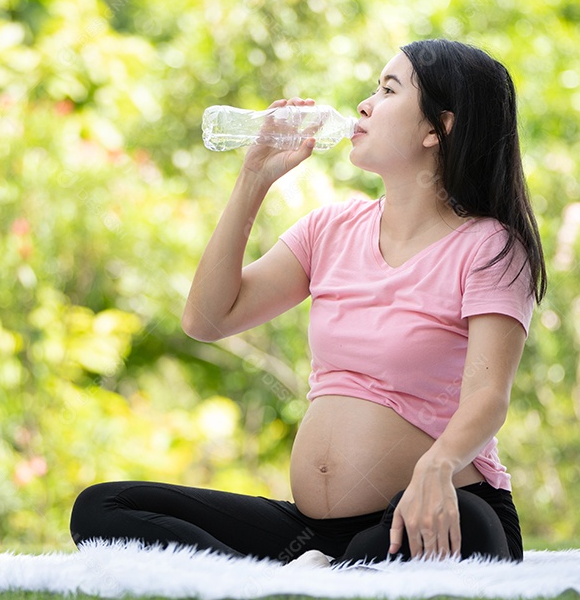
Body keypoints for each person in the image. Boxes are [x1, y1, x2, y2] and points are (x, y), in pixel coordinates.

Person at [70, 39, 547, 567]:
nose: (365, 104)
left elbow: (488, 396)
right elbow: (207, 319)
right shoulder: (330, 229)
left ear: (438, 128)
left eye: (388, 91)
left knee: (470, 528)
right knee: (102, 507)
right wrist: (254, 179)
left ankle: (308, 576)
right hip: (312, 532)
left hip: (427, 510)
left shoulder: (489, 246)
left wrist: (436, 467)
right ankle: (307, 579)